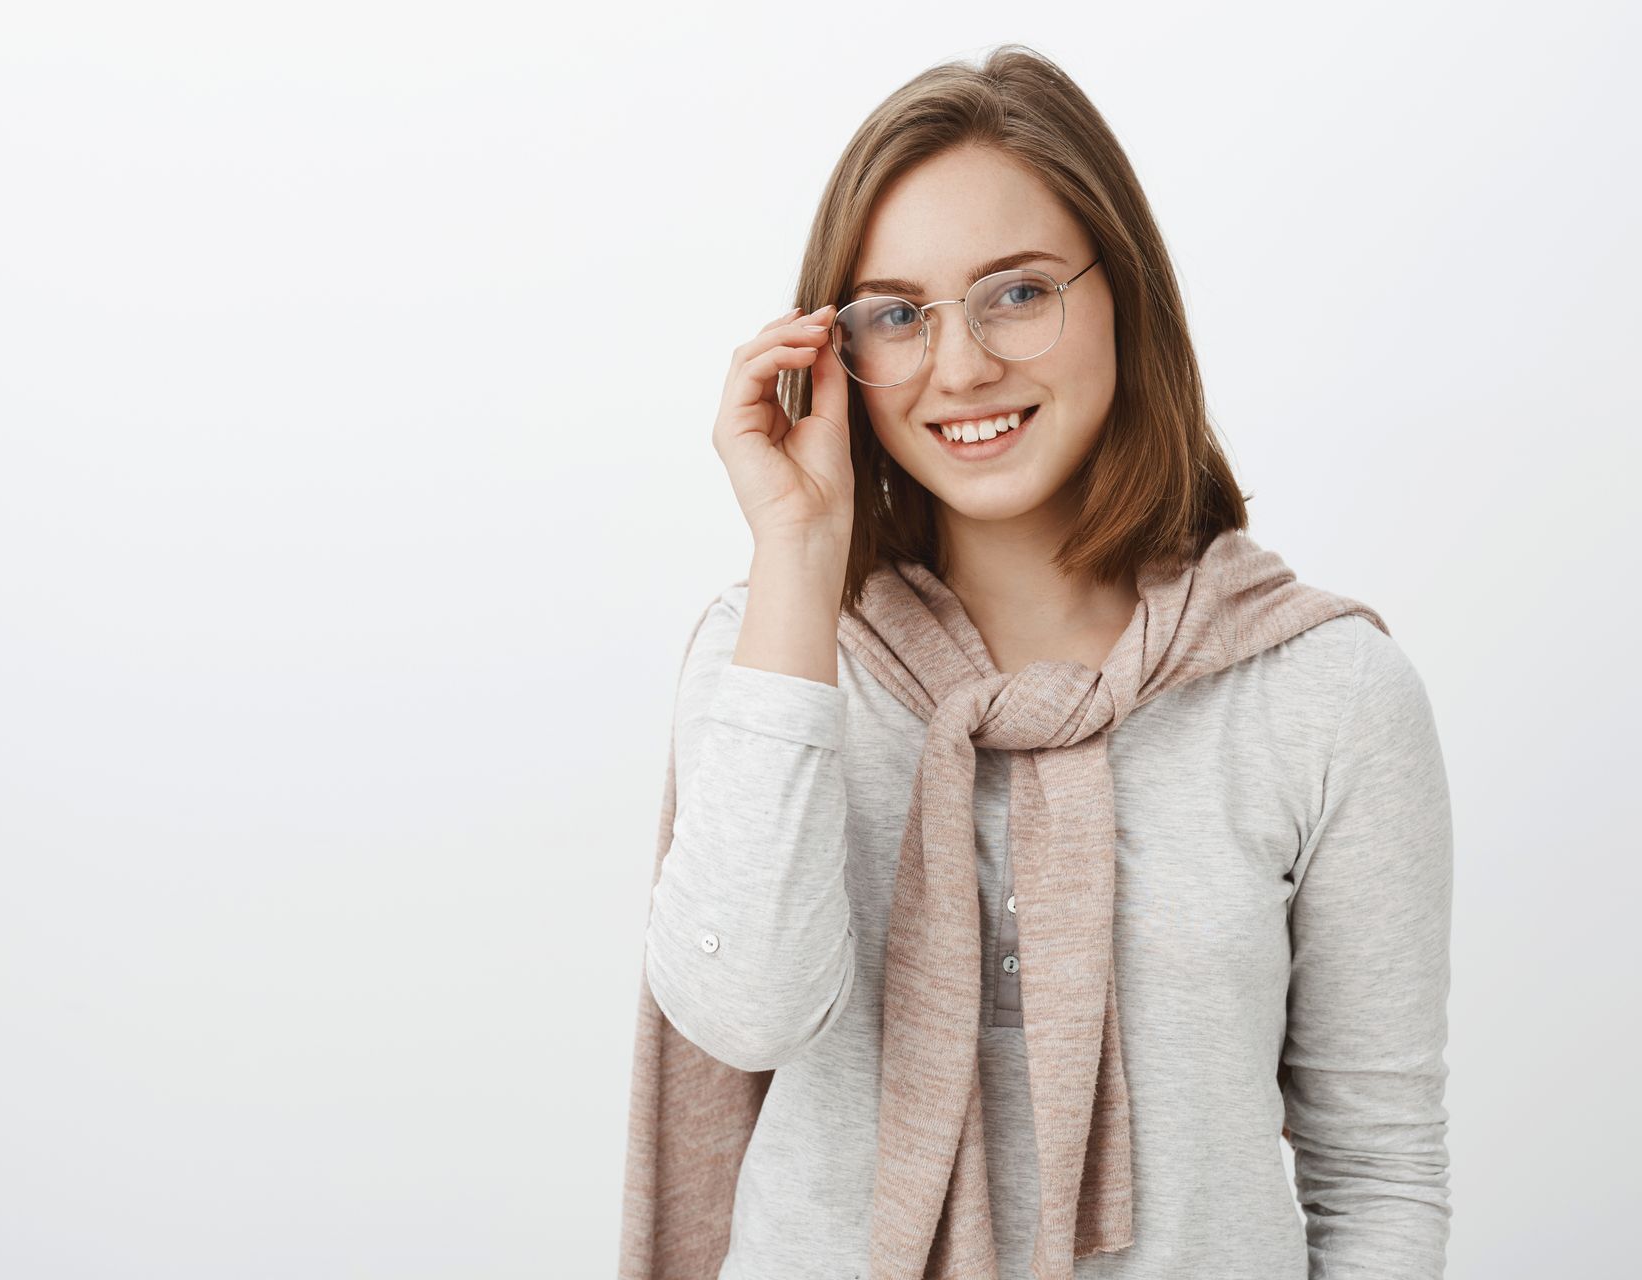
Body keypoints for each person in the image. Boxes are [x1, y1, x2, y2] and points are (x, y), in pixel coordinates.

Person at [619, 44, 1453, 1280]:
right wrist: (798, 555)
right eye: (898, 314)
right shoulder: (774, 656)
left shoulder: (1322, 692)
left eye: (1016, 292)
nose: (960, 367)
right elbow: (743, 1014)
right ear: (835, 356)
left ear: (1125, 295)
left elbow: (1377, 1171)